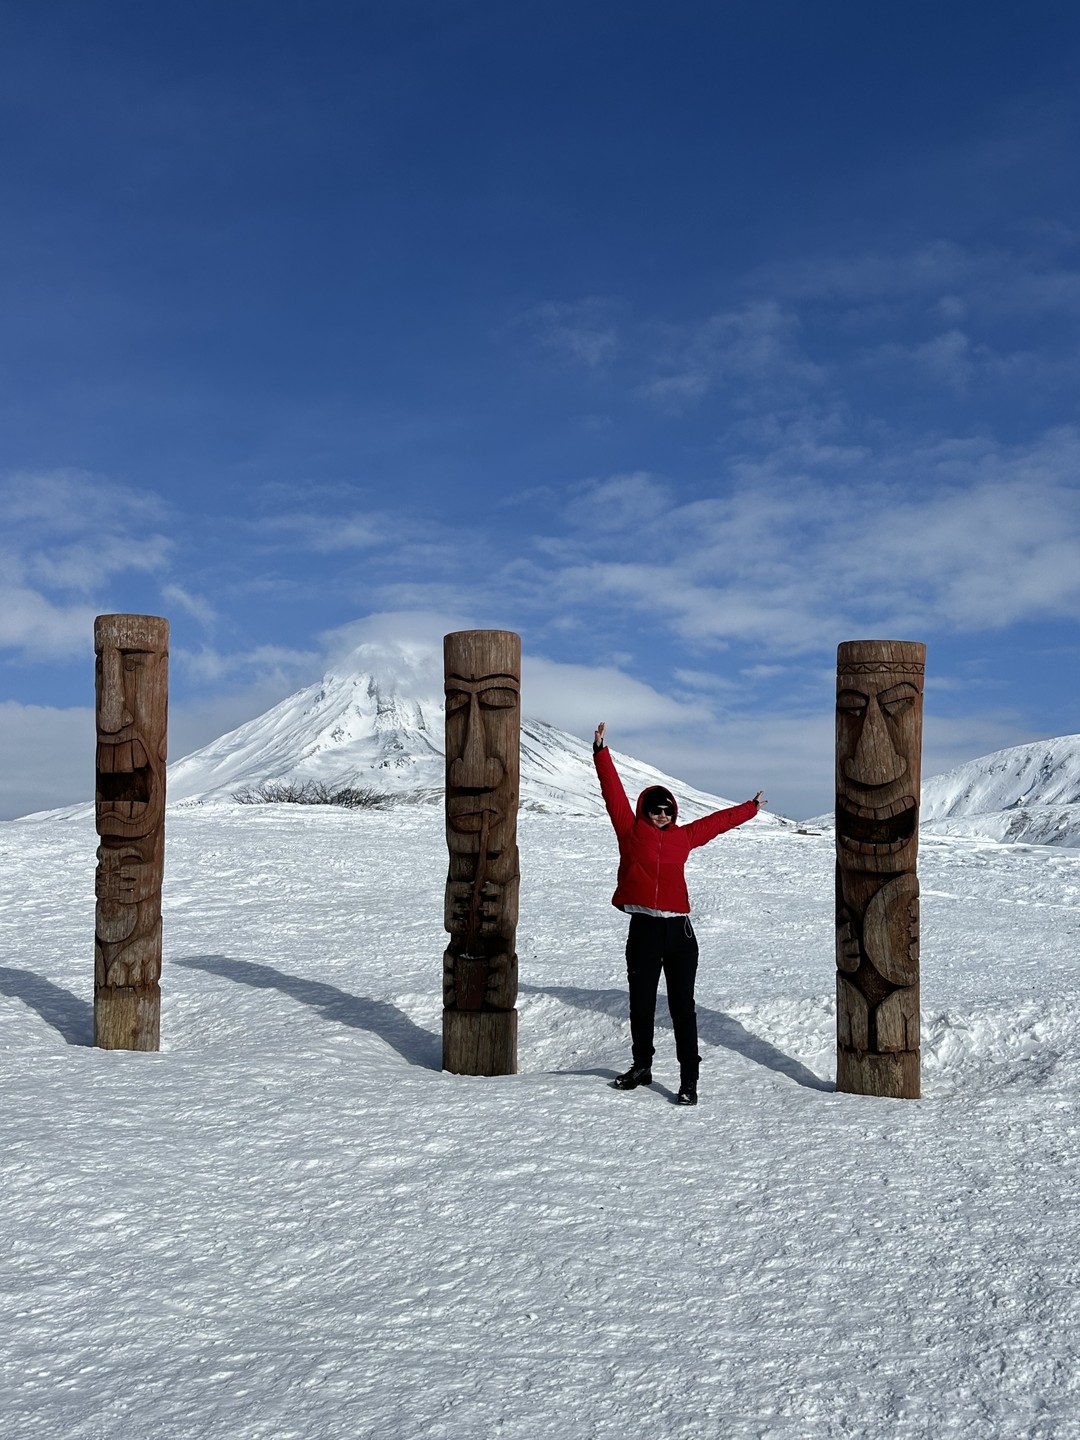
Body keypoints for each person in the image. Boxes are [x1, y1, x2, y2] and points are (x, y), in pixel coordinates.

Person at [592, 721, 766, 1106]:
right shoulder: (630, 830)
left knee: (682, 1008)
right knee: (641, 1003)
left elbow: (716, 824)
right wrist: (601, 752)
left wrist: (749, 809)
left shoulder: (683, 837)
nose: (661, 816)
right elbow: (613, 794)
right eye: (655, 811)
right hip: (643, 930)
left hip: (679, 934)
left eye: (667, 810)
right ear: (644, 811)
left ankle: (689, 1080)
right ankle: (642, 1067)